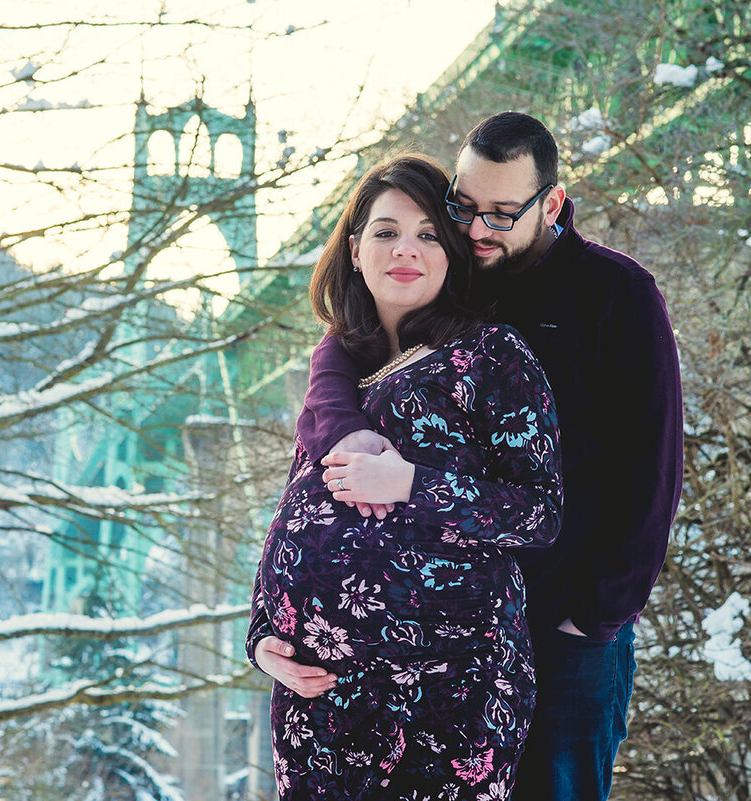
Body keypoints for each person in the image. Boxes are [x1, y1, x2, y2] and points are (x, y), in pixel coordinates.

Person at [261, 112, 685, 800]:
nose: (475, 229)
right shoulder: (459, 275)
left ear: (551, 204)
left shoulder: (616, 294)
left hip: (560, 629)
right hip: (418, 658)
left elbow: (653, 468)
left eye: (501, 213)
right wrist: (343, 428)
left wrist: (595, 618)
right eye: (463, 206)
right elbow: (346, 345)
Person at [246, 153, 563, 800]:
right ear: (356, 249)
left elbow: (538, 512)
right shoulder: (337, 371)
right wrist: (262, 635)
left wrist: (410, 483)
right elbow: (297, 509)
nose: (406, 250)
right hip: (324, 696)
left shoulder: (491, 357)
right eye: (386, 232)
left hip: (448, 691)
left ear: (452, 254)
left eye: (427, 234)